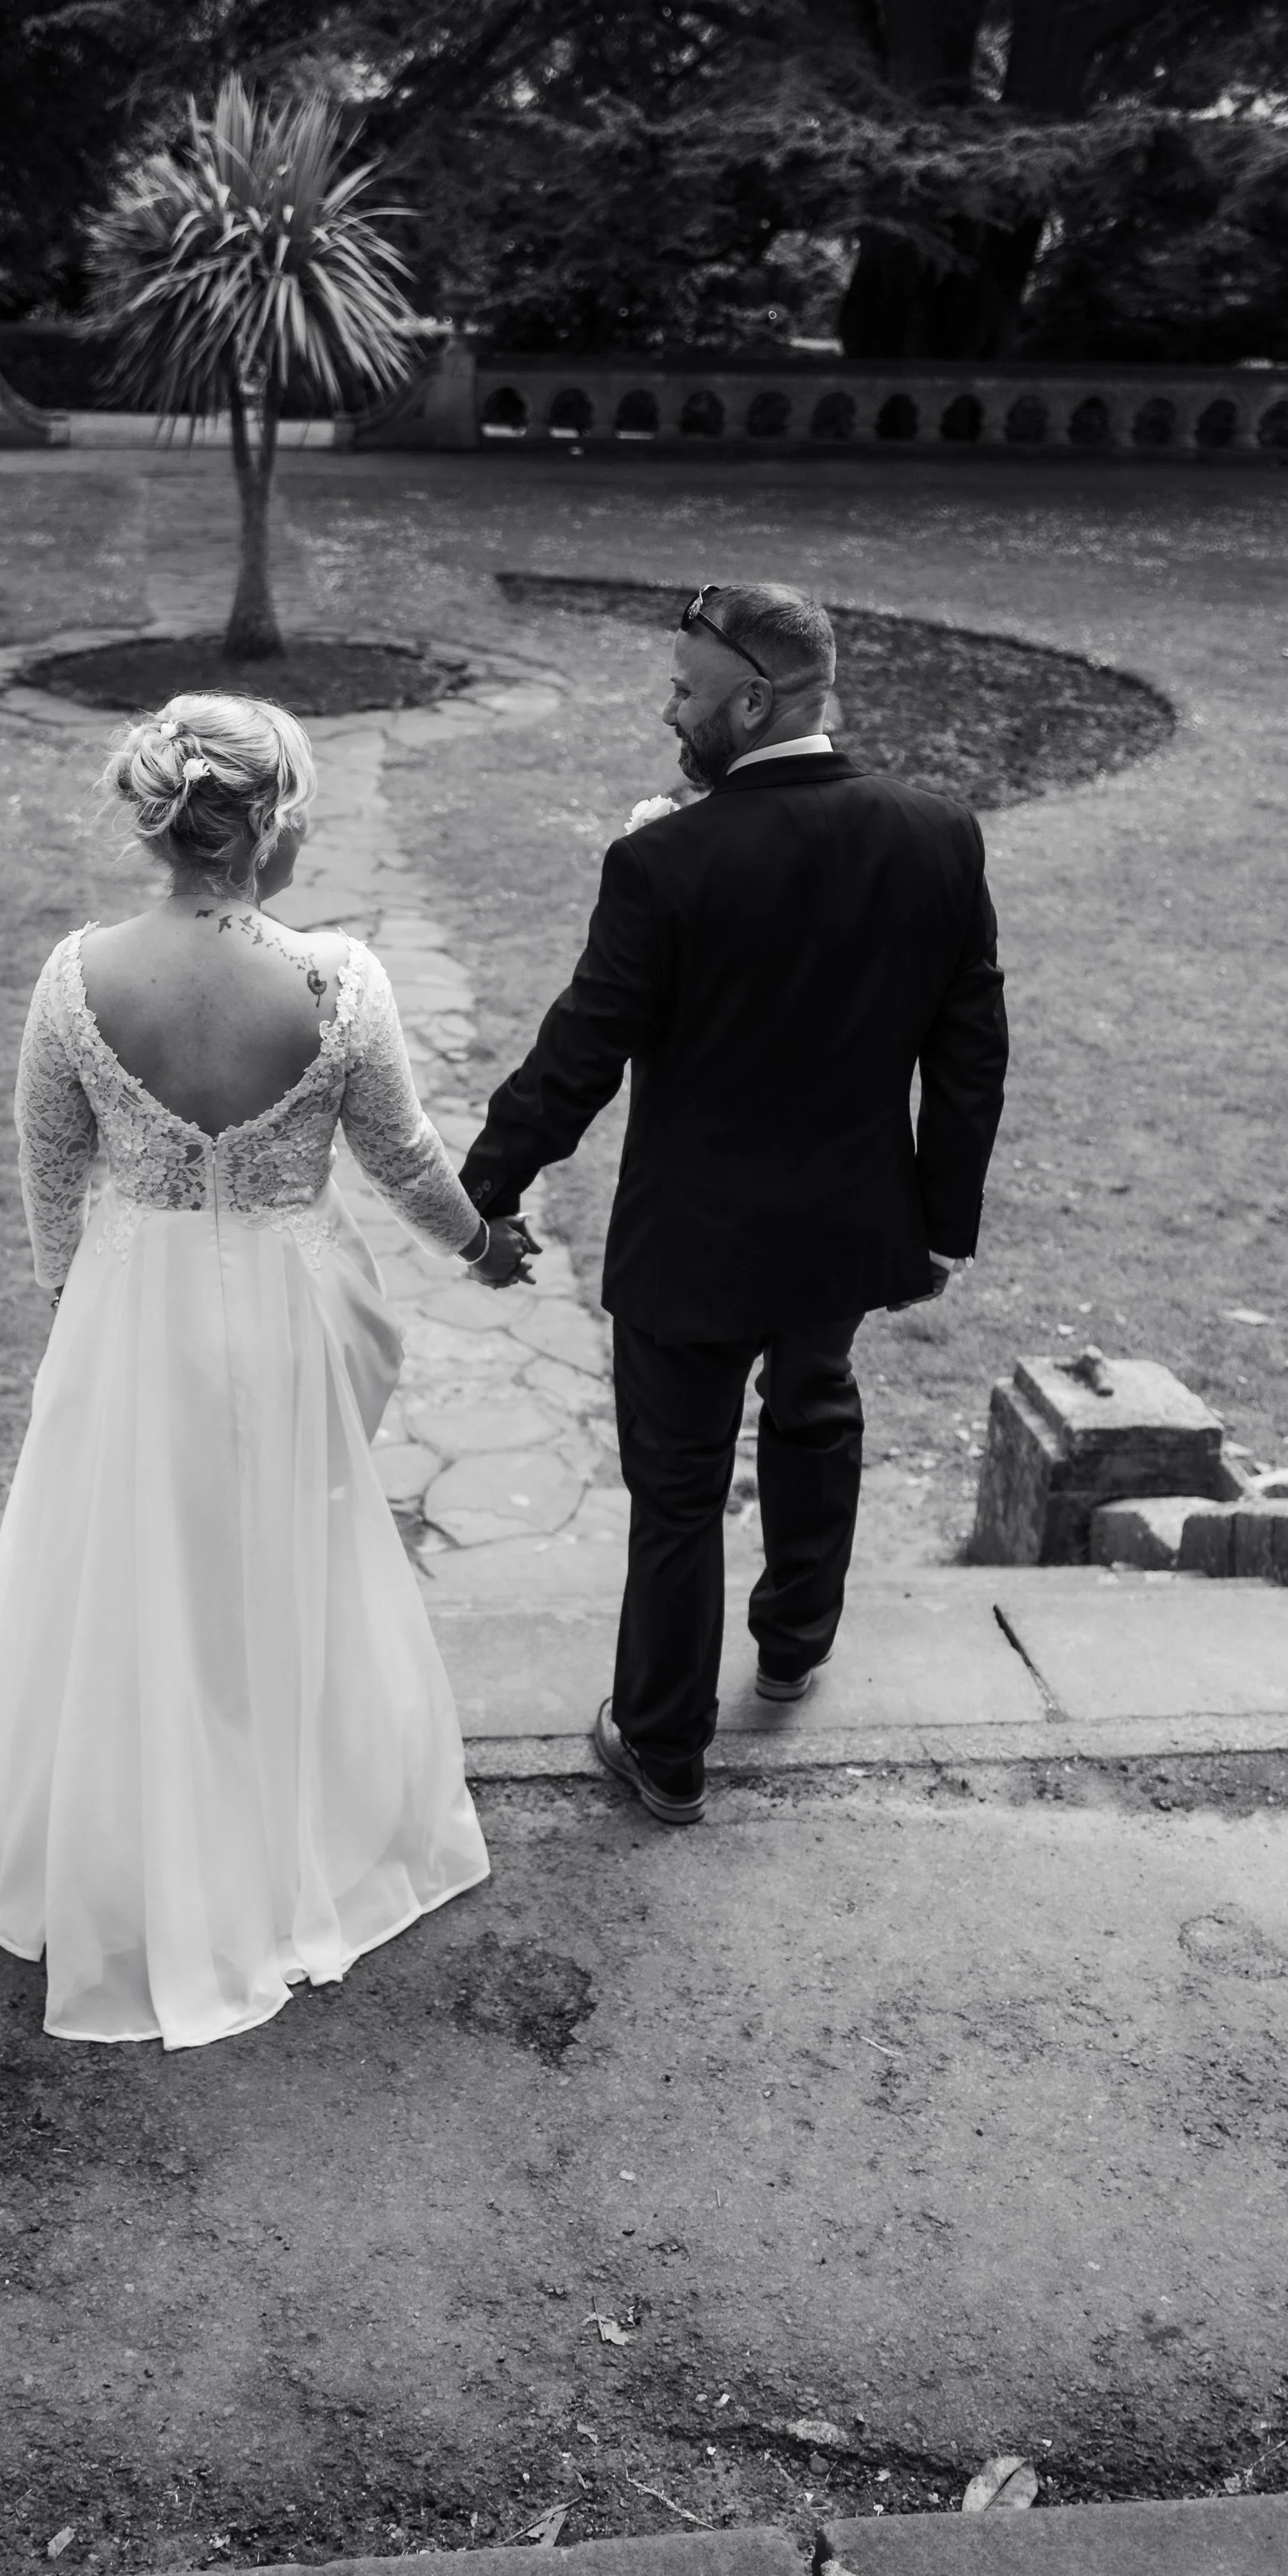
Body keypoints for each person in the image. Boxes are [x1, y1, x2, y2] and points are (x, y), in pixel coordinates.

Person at [0, 693, 522, 2046]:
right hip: (284, 1318)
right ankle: (288, 1829)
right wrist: (483, 1243)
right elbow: (407, 1160)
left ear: (163, 820)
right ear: (275, 825)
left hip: (136, 1309)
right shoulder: (337, 983)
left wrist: (78, 1310)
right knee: (283, 1567)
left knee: (138, 1580)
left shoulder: (76, 979)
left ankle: (144, 1850)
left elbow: (50, 1174)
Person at [458, 582, 1008, 1828]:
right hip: (847, 1233)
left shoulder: (667, 859)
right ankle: (796, 1643)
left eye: (685, 691)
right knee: (815, 1411)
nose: (668, 708)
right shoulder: (938, 832)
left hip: (691, 1248)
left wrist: (486, 1183)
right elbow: (972, 1047)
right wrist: (940, 1220)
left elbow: (584, 1047)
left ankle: (661, 1744)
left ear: (754, 700)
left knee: (680, 1487)